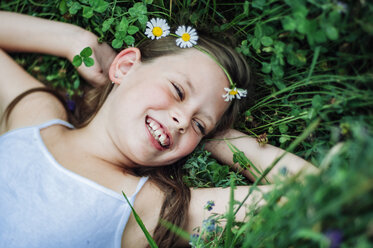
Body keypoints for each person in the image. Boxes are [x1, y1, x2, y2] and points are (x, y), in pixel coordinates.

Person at [0, 11, 317, 248]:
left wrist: (225, 140)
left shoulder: (151, 209)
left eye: (198, 123)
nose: (182, 120)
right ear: (125, 66)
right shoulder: (37, 114)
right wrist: (74, 41)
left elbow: (317, 195)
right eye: (178, 91)